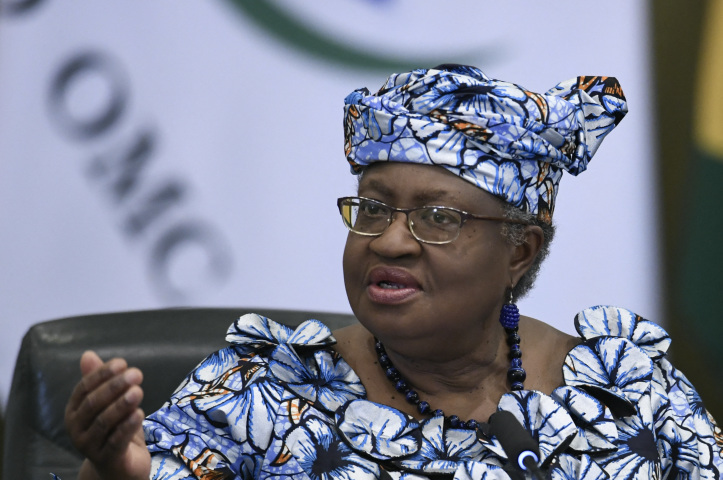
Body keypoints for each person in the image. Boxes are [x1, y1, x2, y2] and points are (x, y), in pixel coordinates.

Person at [63, 65, 723, 480]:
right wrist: (115, 469)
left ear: (519, 252)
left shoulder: (631, 395)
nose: (391, 242)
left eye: (437, 217)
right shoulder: (261, 393)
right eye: (373, 208)